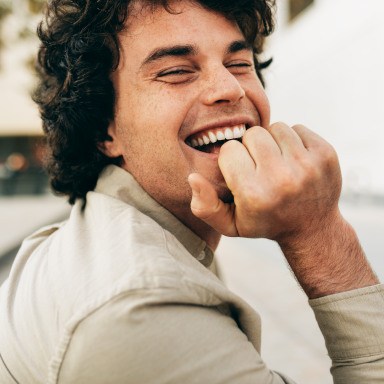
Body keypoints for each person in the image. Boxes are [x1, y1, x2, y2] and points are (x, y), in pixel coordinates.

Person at [0, 0, 383, 382]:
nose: (230, 89)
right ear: (103, 129)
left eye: (239, 64)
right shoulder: (142, 307)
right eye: (176, 71)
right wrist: (317, 232)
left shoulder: (124, 234)